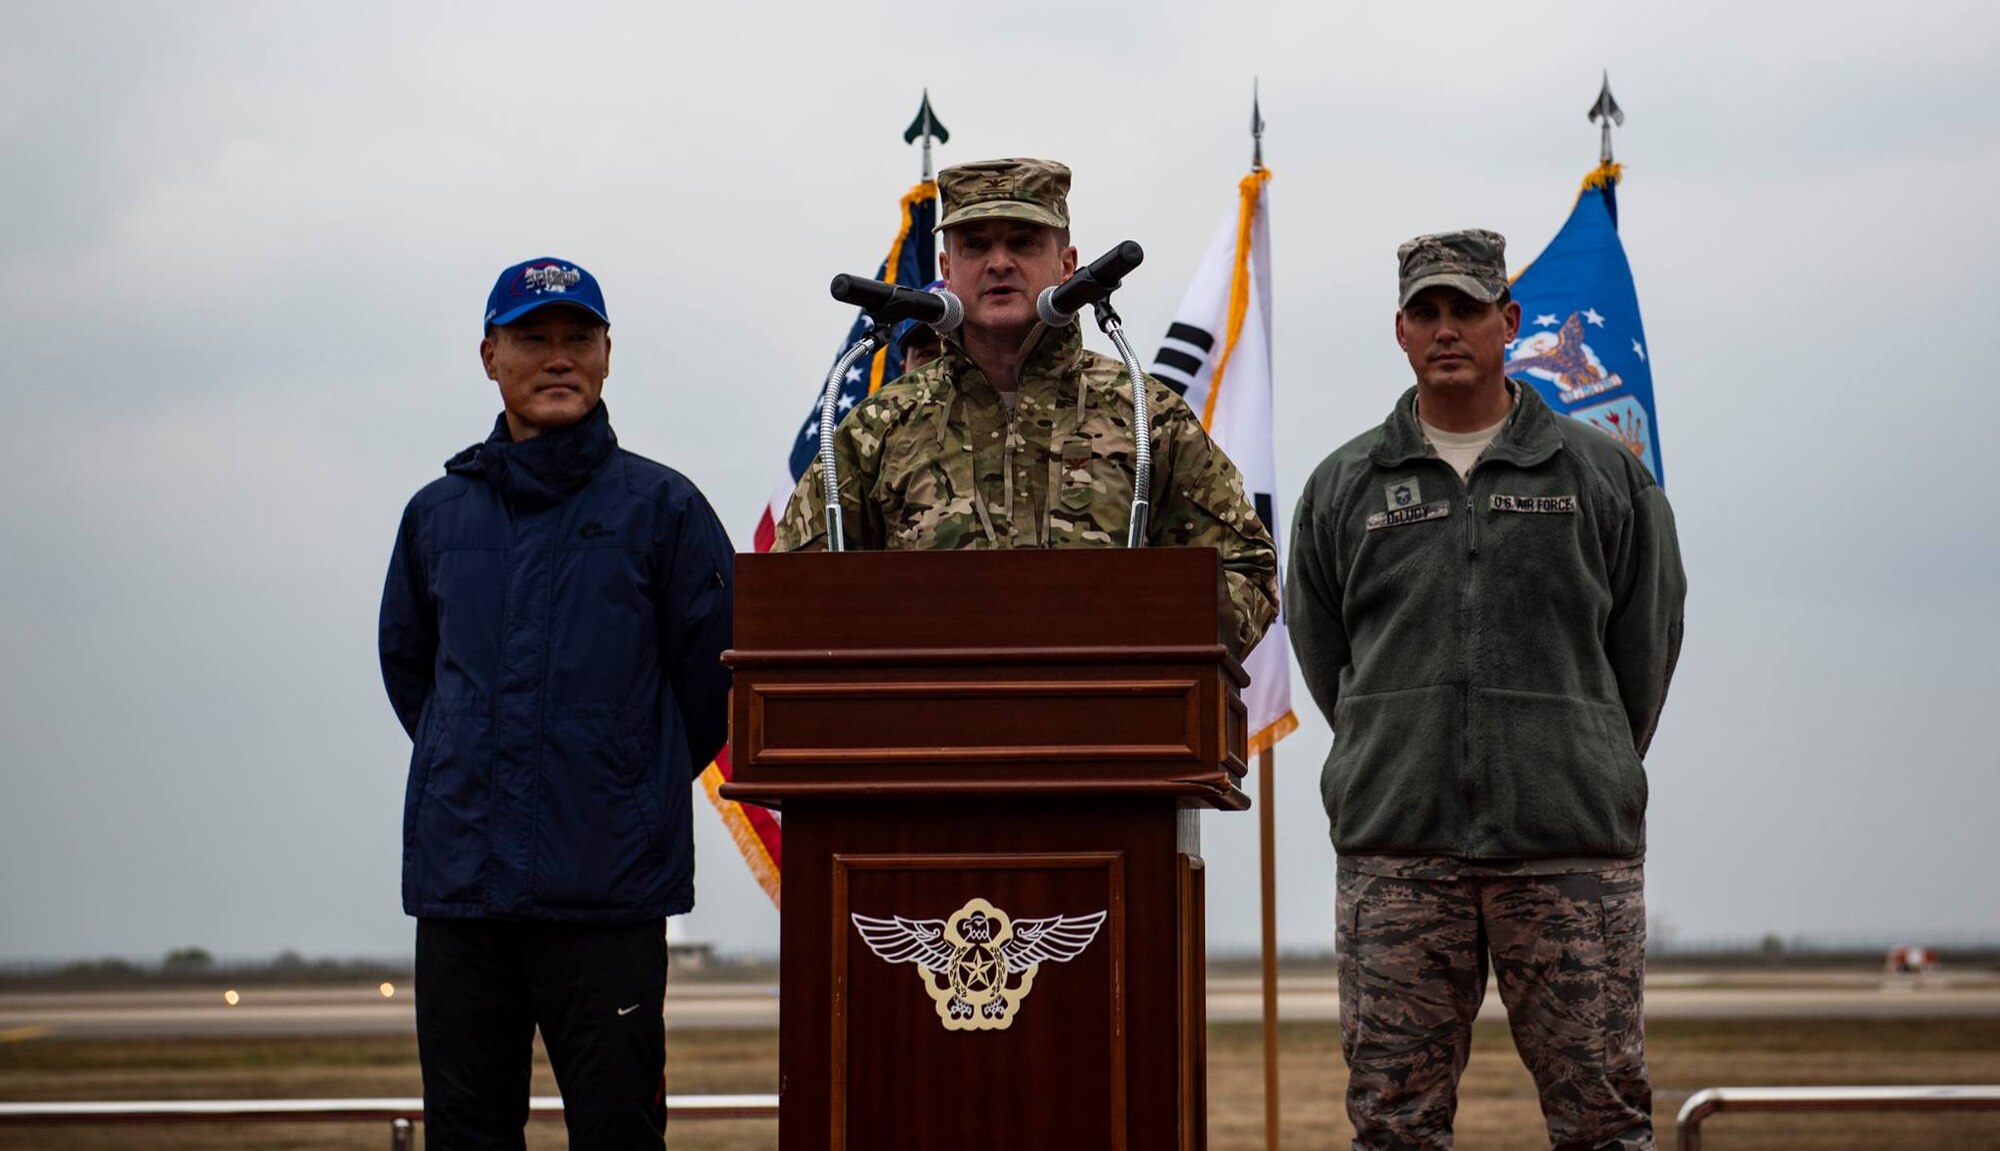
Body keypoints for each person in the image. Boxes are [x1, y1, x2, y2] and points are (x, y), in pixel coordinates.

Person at [1286, 230, 1686, 1151]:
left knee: (1604, 1123)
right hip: (1399, 855)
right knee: (1393, 1127)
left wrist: (1579, 755)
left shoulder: (1603, 476)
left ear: (1509, 321)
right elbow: (1325, 652)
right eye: (1425, 312)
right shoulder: (1345, 486)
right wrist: (1392, 747)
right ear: (1399, 330)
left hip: (1569, 850)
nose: (1446, 329)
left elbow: (1646, 643)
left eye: (1466, 309)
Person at [378, 257, 734, 1149]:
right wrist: (482, 762)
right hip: (464, 894)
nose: (558, 357)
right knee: (467, 1131)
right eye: (533, 338)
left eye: (579, 337)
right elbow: (413, 673)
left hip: (609, 895)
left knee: (619, 1131)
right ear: (489, 354)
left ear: (609, 352)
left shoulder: (665, 509)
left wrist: (625, 776)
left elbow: (713, 683)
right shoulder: (436, 516)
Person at [773, 158, 1278, 654]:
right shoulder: (878, 428)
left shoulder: (1145, 413)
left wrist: (1146, 643)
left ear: (1067, 264)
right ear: (947, 269)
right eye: (975, 245)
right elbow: (790, 591)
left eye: (1022, 242)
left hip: (1114, 722)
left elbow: (1248, 568)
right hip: (924, 723)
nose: (998, 262)